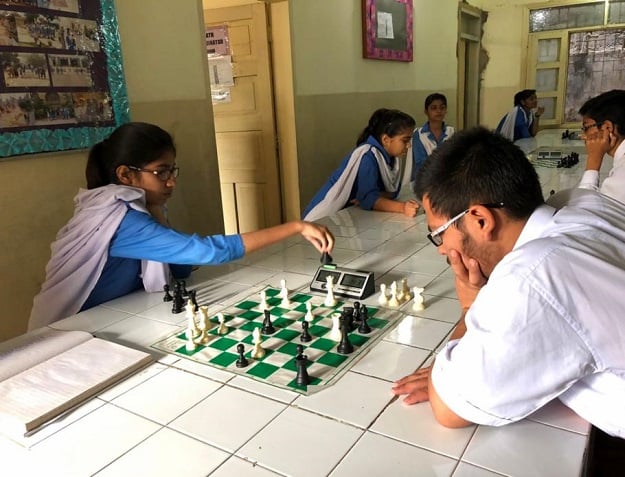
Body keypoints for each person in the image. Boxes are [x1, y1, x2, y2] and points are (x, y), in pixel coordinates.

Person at [391, 127, 625, 440]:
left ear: (480, 220)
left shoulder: (532, 278)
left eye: (439, 233)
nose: (442, 250)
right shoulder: (581, 202)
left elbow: (450, 407)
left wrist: (470, 304)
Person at [28, 122, 334, 331]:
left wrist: (158, 210)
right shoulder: (121, 219)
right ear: (126, 175)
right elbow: (207, 253)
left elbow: (181, 269)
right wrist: (295, 226)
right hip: (73, 331)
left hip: (118, 316)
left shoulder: (133, 209)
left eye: (172, 170)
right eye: (161, 172)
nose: (171, 181)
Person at [302, 108, 419, 221]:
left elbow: (392, 192)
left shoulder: (392, 158)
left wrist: (372, 197)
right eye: (405, 140)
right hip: (323, 215)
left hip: (349, 214)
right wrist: (402, 208)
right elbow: (369, 200)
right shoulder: (367, 156)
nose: (409, 145)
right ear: (386, 140)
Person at [578, 89, 625, 204]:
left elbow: (584, 213)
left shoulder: (621, 178)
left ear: (607, 128)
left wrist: (593, 160)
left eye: (586, 128)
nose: (584, 136)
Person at [408, 93, 455, 182]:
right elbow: (420, 164)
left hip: (447, 182)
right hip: (424, 182)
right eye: (433, 108)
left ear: (446, 110)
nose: (438, 111)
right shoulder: (419, 135)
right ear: (426, 111)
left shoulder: (451, 133)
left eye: (442, 107)